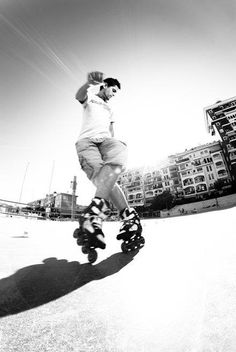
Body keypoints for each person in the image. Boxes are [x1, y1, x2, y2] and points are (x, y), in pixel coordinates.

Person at [74, 71, 143, 257]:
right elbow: (78, 96)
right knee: (103, 180)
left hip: (105, 142)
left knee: (119, 149)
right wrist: (88, 83)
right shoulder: (90, 99)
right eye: (113, 90)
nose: (113, 94)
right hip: (87, 142)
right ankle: (128, 215)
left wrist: (110, 154)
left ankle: (94, 214)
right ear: (104, 85)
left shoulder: (110, 109)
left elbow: (112, 130)